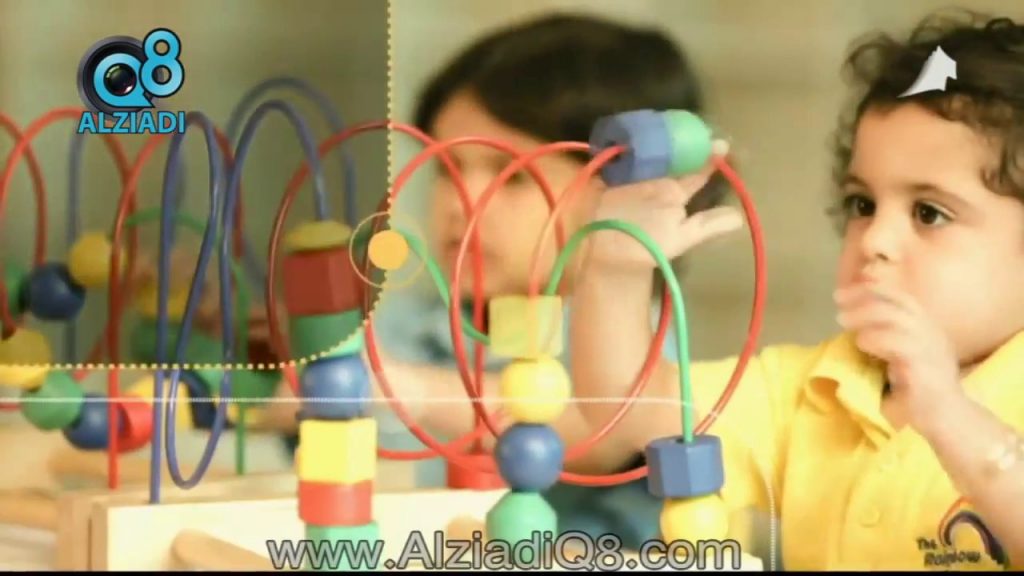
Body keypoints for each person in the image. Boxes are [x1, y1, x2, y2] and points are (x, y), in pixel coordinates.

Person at [564, 10, 1024, 570]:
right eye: (862, 204)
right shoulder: (817, 388)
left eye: (930, 212)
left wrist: (952, 417)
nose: (874, 239)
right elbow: (630, 408)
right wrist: (616, 270)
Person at [271, 12, 728, 551]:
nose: (462, 203)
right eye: (446, 168)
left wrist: (413, 392)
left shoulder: (631, 337)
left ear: (629, 195)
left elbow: (599, 428)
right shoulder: (417, 322)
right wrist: (283, 384)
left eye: (512, 177)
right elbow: (317, 397)